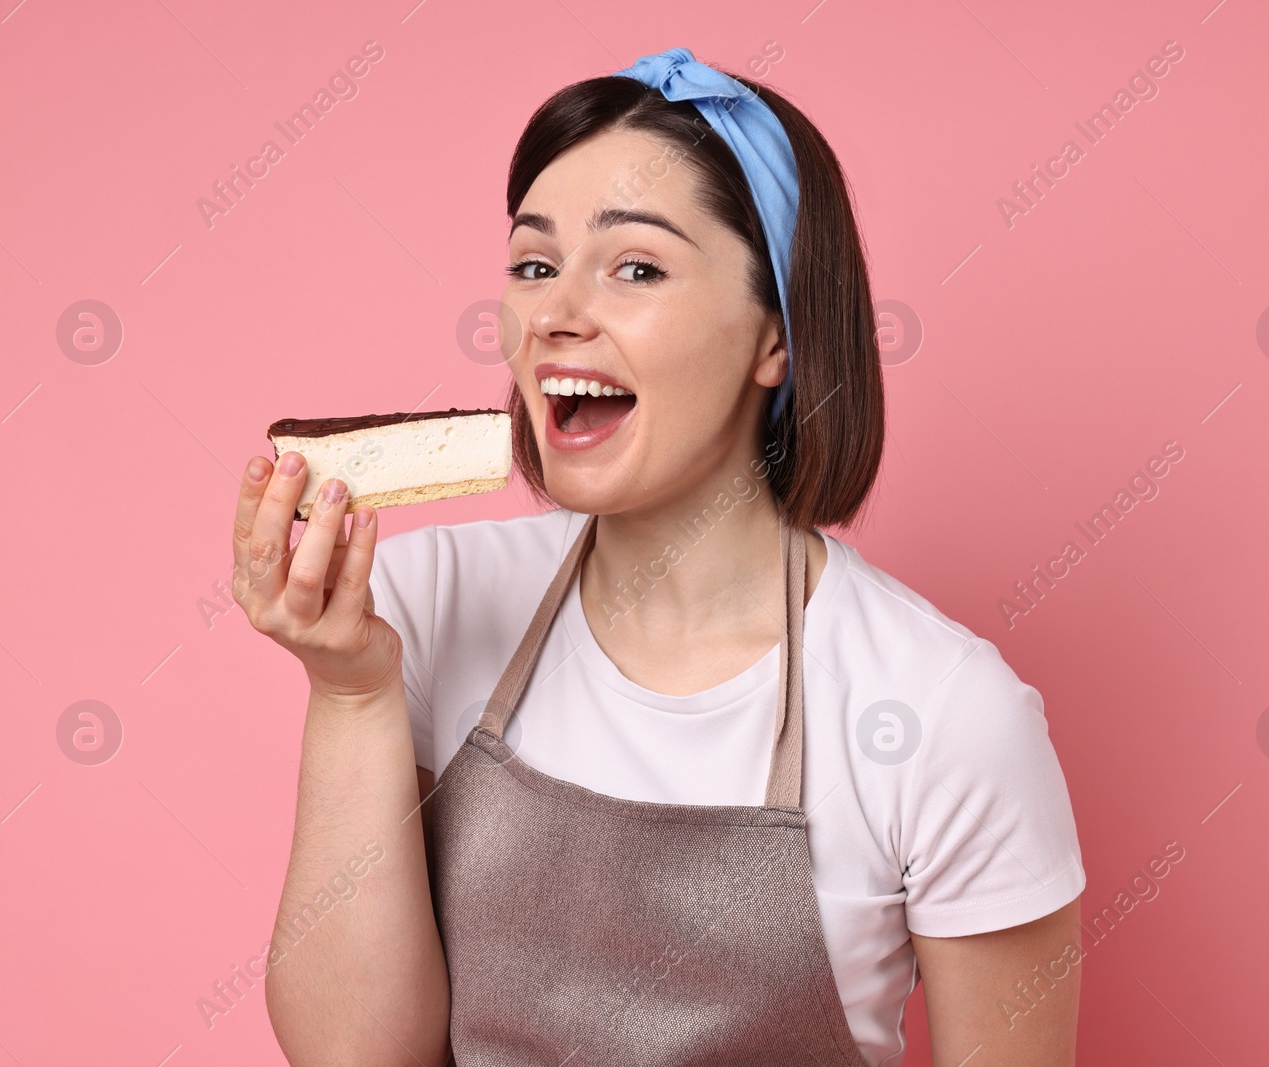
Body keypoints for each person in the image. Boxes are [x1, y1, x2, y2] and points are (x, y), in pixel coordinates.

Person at [235, 46, 1085, 1067]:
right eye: (534, 266)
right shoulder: (422, 604)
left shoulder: (945, 709)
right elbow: (353, 1055)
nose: (554, 315)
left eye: (635, 266)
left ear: (776, 335)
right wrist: (350, 690)